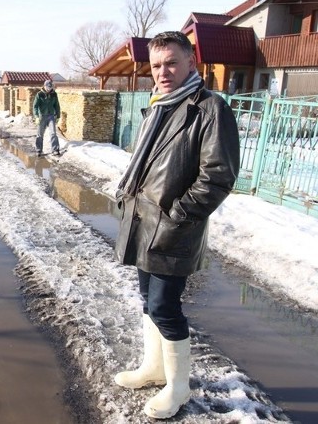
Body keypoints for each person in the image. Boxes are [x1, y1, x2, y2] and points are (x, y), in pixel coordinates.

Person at [113, 31, 240, 419]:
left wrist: (178, 217)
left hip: (173, 228)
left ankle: (179, 387)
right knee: (150, 304)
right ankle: (154, 368)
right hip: (143, 222)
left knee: (165, 307)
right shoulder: (159, 106)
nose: (163, 71)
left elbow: (218, 176)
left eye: (171, 62)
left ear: (190, 63)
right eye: (156, 65)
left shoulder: (209, 108)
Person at [33, 79, 61, 156]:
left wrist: (58, 116)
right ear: (44, 86)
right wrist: (36, 116)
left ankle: (55, 149)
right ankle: (38, 150)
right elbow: (35, 106)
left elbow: (57, 105)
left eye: (50, 87)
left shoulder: (54, 94)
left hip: (51, 116)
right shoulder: (39, 94)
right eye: (48, 87)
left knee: (53, 133)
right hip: (42, 116)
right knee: (40, 134)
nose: (49, 89)